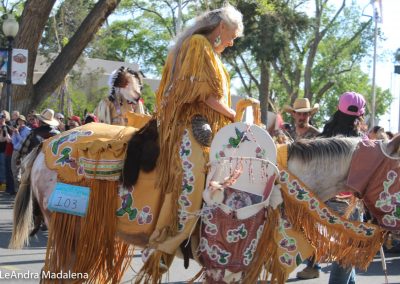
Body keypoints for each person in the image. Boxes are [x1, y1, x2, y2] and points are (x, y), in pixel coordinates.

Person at [142, 4, 243, 276]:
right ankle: (166, 240)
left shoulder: (209, 50)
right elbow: (203, 94)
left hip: (208, 126)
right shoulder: (199, 44)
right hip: (190, 125)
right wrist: (236, 114)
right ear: (221, 27)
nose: (232, 41)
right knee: (196, 175)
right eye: (232, 34)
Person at [298, 91, 366, 283]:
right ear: (360, 115)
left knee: (346, 264)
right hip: (350, 207)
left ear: (338, 109)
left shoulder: (323, 140)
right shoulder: (364, 144)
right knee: (344, 262)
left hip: (323, 207)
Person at [11, 115, 31, 191]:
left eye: (21, 121)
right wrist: (15, 132)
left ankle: (23, 190)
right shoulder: (17, 129)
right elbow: (13, 142)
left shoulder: (28, 130)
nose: (20, 122)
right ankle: (17, 190)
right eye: (18, 121)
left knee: (23, 171)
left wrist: (17, 133)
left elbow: (23, 142)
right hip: (16, 151)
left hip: (24, 152)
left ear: (24, 121)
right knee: (14, 171)